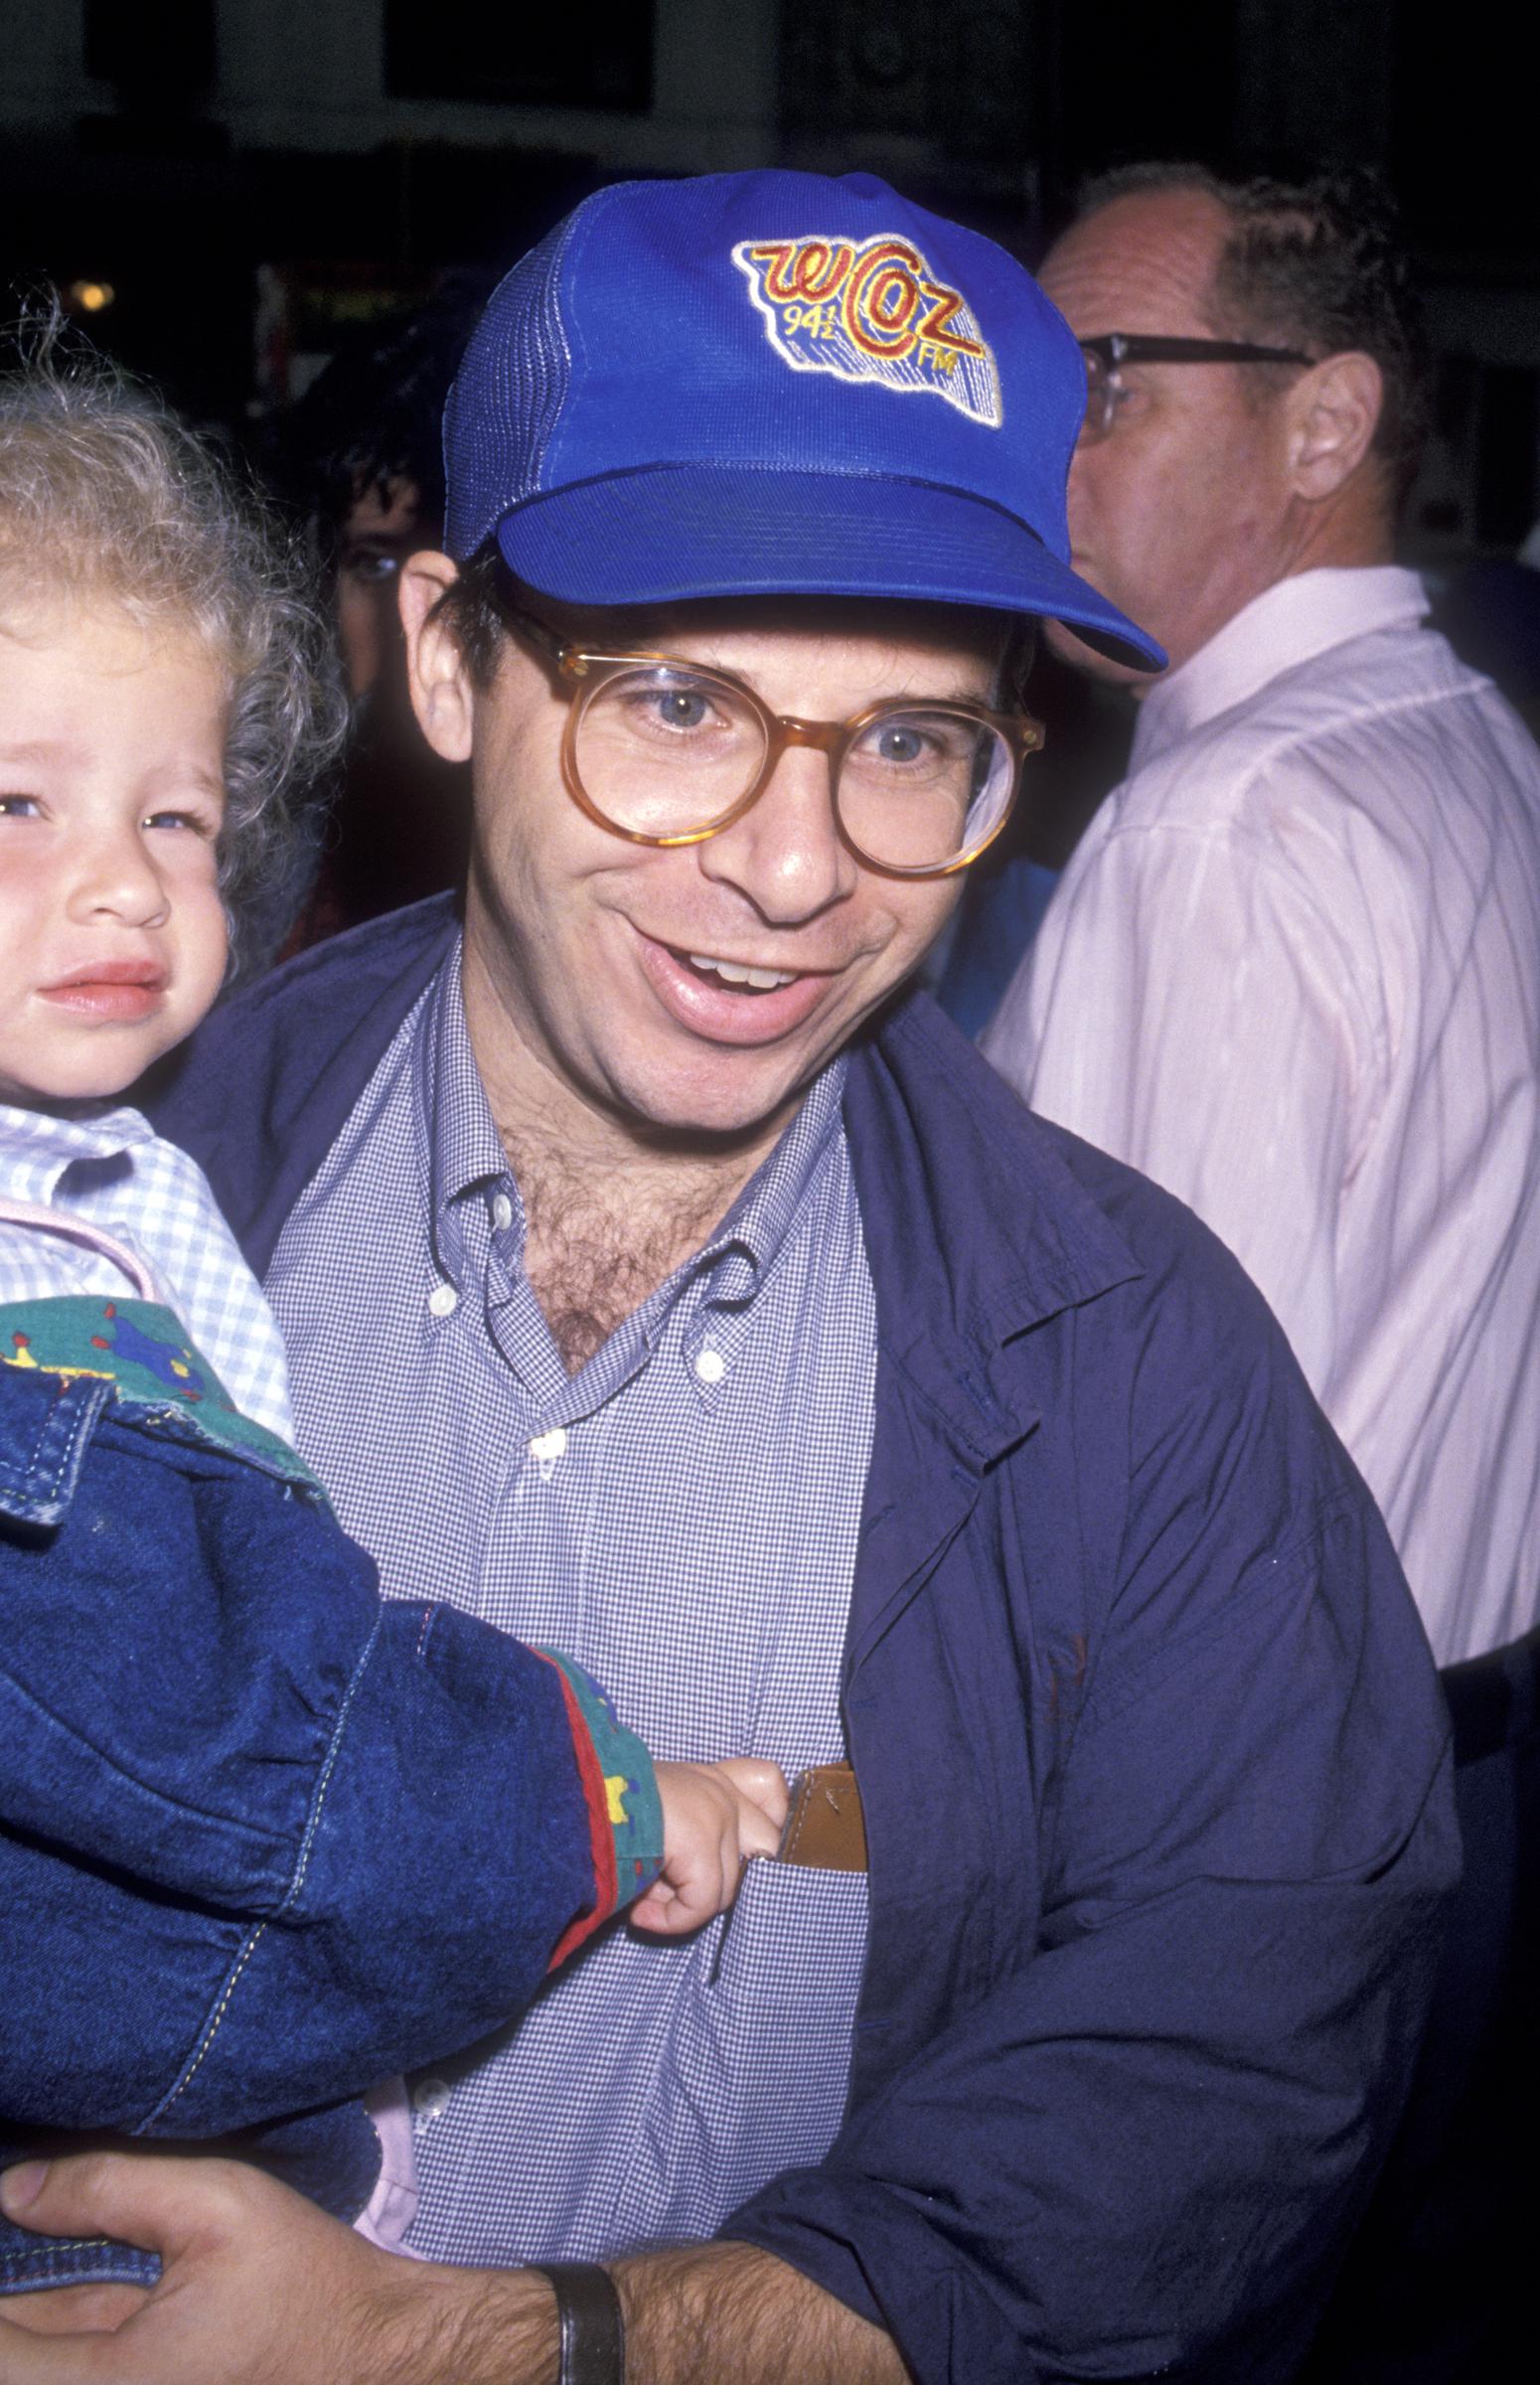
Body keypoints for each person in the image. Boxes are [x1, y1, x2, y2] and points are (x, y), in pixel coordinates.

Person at [0, 170, 1457, 2385]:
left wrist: (507, 2347)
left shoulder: (1141, 1365)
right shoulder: (95, 1214)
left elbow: (1229, 2051)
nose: (793, 873)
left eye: (906, 743)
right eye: (678, 704)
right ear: (449, 659)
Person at [0, 341, 787, 2295]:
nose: (118, 888)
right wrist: (602, 1795)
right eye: (15, 803)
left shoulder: (102, 1181)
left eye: (176, 820)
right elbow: (259, 1766)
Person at [979, 164, 1540, 2380]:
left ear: (1322, 425)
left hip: (1242, 1855)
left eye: (1104, 380)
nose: (1046, 440)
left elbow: (1106, 1519)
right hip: (1464, 1797)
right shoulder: (1470, 746)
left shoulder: (1217, 831)